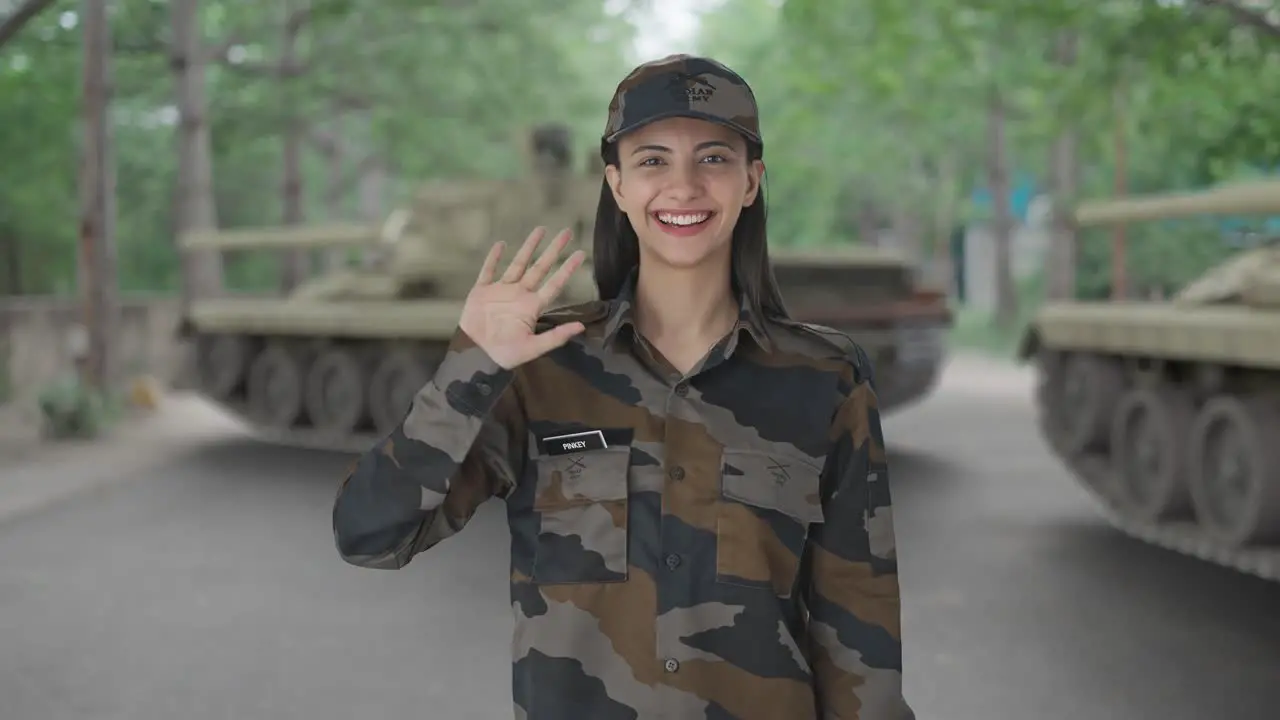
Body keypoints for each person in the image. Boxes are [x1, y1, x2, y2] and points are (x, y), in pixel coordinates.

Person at [332, 54, 914, 720]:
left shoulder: (826, 380)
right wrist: (471, 369)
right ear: (615, 184)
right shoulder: (539, 367)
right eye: (653, 160)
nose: (684, 185)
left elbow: (860, 634)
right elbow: (369, 537)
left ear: (752, 181)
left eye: (715, 158)